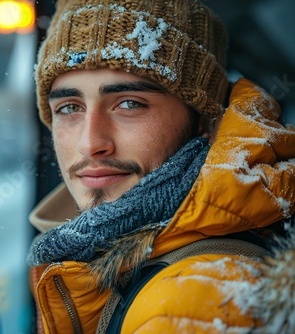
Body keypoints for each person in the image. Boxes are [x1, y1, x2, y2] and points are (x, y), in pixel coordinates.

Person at [27, 0, 295, 333]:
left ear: (202, 121)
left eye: (129, 103)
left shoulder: (191, 300)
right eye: (69, 108)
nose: (89, 142)